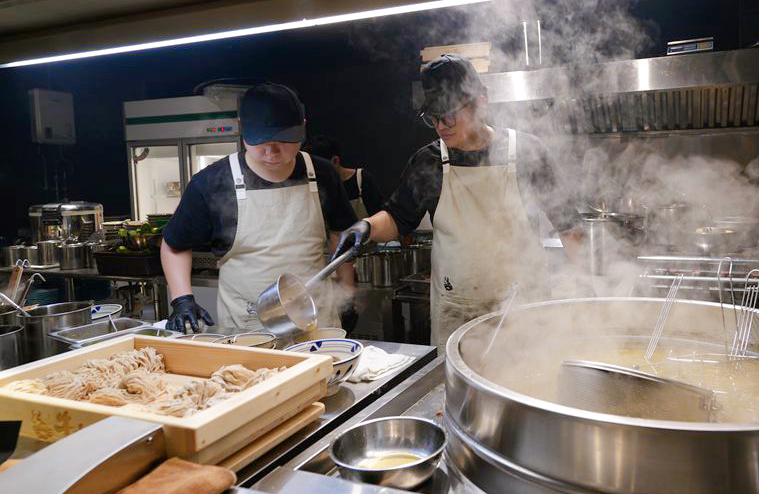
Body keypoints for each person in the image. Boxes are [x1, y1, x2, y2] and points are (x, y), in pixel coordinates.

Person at [333, 54, 580, 346]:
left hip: (521, 308)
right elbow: (399, 218)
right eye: (433, 117)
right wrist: (367, 227)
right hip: (457, 310)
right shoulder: (428, 161)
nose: (441, 126)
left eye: (449, 114)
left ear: (481, 103)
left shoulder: (527, 151)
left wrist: (584, 287)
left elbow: (567, 223)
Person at [161, 82, 358, 333]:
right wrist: (182, 300)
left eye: (284, 141)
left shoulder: (322, 174)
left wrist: (348, 296)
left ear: (303, 128)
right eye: (261, 142)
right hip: (249, 326)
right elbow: (174, 245)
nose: (272, 152)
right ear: (243, 132)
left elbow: (340, 239)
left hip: (316, 319)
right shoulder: (212, 182)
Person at [304, 135, 385, 219]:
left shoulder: (361, 180)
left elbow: (380, 215)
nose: (315, 173)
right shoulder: (316, 186)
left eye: (318, 168)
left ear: (335, 160)